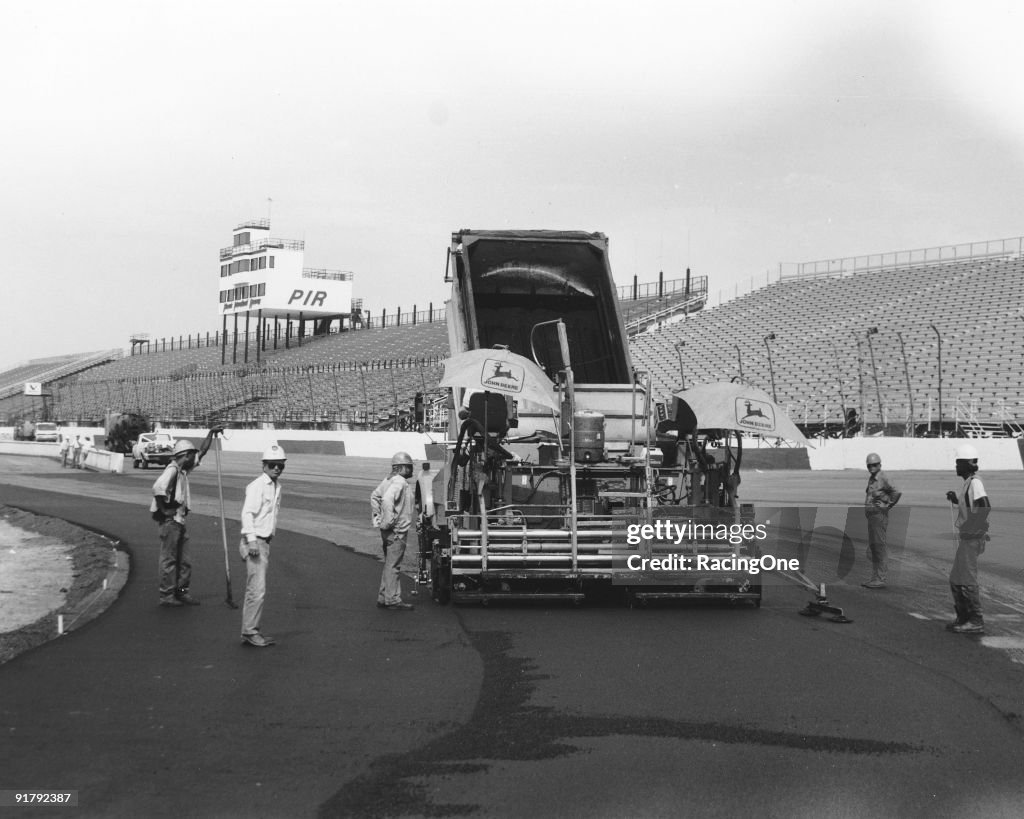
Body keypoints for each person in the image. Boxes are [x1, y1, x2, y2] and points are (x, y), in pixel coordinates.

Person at [151, 428, 221, 607]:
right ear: (185, 455)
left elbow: (202, 452)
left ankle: (182, 592)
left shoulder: (182, 470)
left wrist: (211, 434)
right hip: (170, 522)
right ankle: (166, 595)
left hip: (180, 521)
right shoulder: (172, 470)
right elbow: (158, 488)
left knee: (185, 561)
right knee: (169, 560)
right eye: (191, 454)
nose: (194, 457)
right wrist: (164, 510)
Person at [238, 444, 286, 647]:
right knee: (256, 590)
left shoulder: (275, 486)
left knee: (257, 588)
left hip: (264, 541)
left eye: (280, 465)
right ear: (264, 465)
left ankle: (250, 630)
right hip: (255, 541)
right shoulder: (258, 486)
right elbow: (247, 513)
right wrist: (252, 541)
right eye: (273, 465)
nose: (277, 468)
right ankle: (250, 632)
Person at [944, 443, 991, 634]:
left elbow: (985, 506)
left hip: (972, 538)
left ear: (966, 464)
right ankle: (963, 617)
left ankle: (975, 620)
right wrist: (956, 499)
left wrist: (974, 527)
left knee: (967, 578)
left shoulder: (975, 482)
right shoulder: (968, 483)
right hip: (968, 537)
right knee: (956, 578)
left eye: (958, 463)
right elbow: (971, 505)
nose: (956, 466)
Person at [370, 451, 416, 610]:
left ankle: (383, 597)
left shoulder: (387, 480)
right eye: (409, 467)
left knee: (389, 564)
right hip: (396, 532)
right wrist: (388, 522)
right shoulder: (400, 483)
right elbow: (387, 500)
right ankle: (393, 600)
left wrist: (379, 521)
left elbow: (374, 497)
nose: (411, 470)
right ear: (400, 467)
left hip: (387, 532)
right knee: (394, 566)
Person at [862, 452, 902, 589]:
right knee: (875, 547)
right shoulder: (872, 478)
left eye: (875, 465)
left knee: (879, 547)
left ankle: (880, 578)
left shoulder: (883, 477)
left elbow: (897, 491)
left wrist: (888, 504)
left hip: (879, 515)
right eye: (870, 465)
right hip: (872, 516)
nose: (872, 467)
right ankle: (876, 577)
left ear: (880, 465)